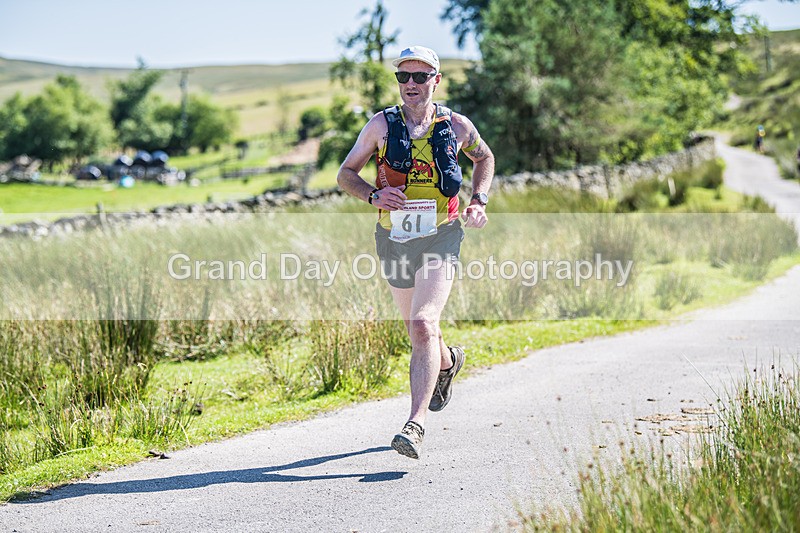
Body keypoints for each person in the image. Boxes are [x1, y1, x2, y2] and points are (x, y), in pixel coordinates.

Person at [337, 45, 495, 459]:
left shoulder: (457, 126)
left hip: (442, 235)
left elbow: (485, 158)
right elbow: (345, 173)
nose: (410, 84)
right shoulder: (380, 126)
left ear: (435, 81)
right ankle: (447, 362)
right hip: (393, 239)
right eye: (403, 77)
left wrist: (478, 199)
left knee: (425, 323)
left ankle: (415, 423)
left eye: (419, 77)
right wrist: (374, 195)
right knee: (417, 330)